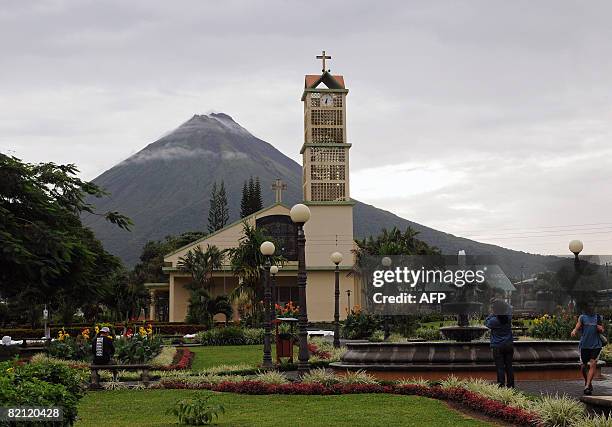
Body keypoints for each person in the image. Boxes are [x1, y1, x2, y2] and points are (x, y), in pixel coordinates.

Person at [571, 307, 604, 395]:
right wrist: (574, 331)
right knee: (583, 366)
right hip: (584, 345)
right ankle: (587, 382)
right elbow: (577, 326)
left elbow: (602, 329)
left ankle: (587, 387)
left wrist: (600, 329)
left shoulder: (598, 317)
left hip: (596, 345)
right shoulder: (582, 317)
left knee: (593, 364)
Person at [485, 299, 514, 388]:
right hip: (509, 345)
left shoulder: (494, 320)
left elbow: (485, 322)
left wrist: (492, 313)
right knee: (509, 367)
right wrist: (501, 303)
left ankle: (501, 386)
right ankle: (511, 386)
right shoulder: (508, 317)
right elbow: (509, 307)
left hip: (498, 346)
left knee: (500, 368)